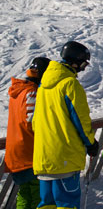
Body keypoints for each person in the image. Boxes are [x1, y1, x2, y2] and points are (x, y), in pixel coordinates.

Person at [33, 41, 98, 209]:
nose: (82, 69)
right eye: (83, 64)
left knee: (47, 204)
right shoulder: (69, 84)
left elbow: (35, 122)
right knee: (66, 203)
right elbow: (81, 119)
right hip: (64, 157)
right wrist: (91, 143)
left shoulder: (43, 86)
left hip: (44, 157)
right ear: (75, 62)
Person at [5, 57, 50, 209]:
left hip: (15, 152)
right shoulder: (32, 92)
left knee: (24, 194)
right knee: (39, 195)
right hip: (29, 152)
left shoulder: (18, 91)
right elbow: (33, 121)